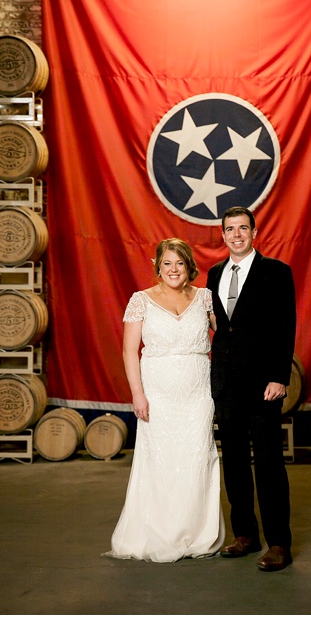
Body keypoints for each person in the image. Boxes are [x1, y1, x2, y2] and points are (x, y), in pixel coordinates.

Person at [106, 237, 224, 562]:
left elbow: (228, 337)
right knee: (160, 460)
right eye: (167, 263)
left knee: (197, 458)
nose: (174, 269)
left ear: (189, 266)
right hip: (157, 393)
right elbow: (130, 351)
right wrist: (137, 394)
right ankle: (159, 532)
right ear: (158, 266)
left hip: (198, 391)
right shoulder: (140, 300)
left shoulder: (205, 298)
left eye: (180, 263)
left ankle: (198, 534)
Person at [208, 206, 295, 571]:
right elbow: (218, 327)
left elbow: (285, 326)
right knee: (236, 464)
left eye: (244, 228)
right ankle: (245, 534)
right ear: (223, 235)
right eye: (231, 229)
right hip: (226, 385)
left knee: (269, 464)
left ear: (254, 232)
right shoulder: (213, 275)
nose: (237, 235)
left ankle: (279, 543)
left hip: (263, 386)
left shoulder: (276, 272)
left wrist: (280, 376)